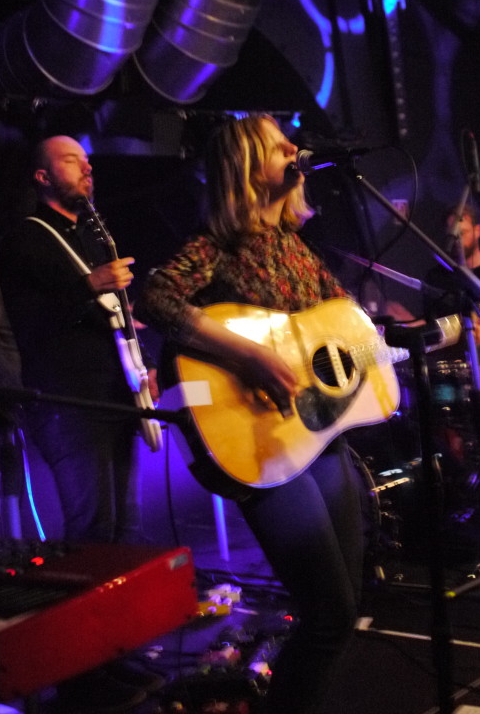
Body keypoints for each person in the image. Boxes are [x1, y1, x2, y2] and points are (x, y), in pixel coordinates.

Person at [135, 113, 364, 714]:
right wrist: (250, 355)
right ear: (244, 166)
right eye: (277, 144)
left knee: (343, 612)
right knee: (328, 616)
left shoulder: (297, 250)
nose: (295, 148)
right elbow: (156, 297)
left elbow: (348, 331)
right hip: (261, 443)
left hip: (321, 435)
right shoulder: (217, 247)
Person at [0, 135, 164, 712]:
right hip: (69, 405)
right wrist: (89, 286)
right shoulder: (24, 238)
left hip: (114, 399)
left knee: (123, 534)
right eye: (72, 159)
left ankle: (115, 654)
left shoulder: (93, 234)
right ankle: (80, 674)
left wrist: (142, 364)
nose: (87, 166)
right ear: (42, 177)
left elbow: (109, 322)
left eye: (88, 159)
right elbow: (32, 324)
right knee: (91, 535)